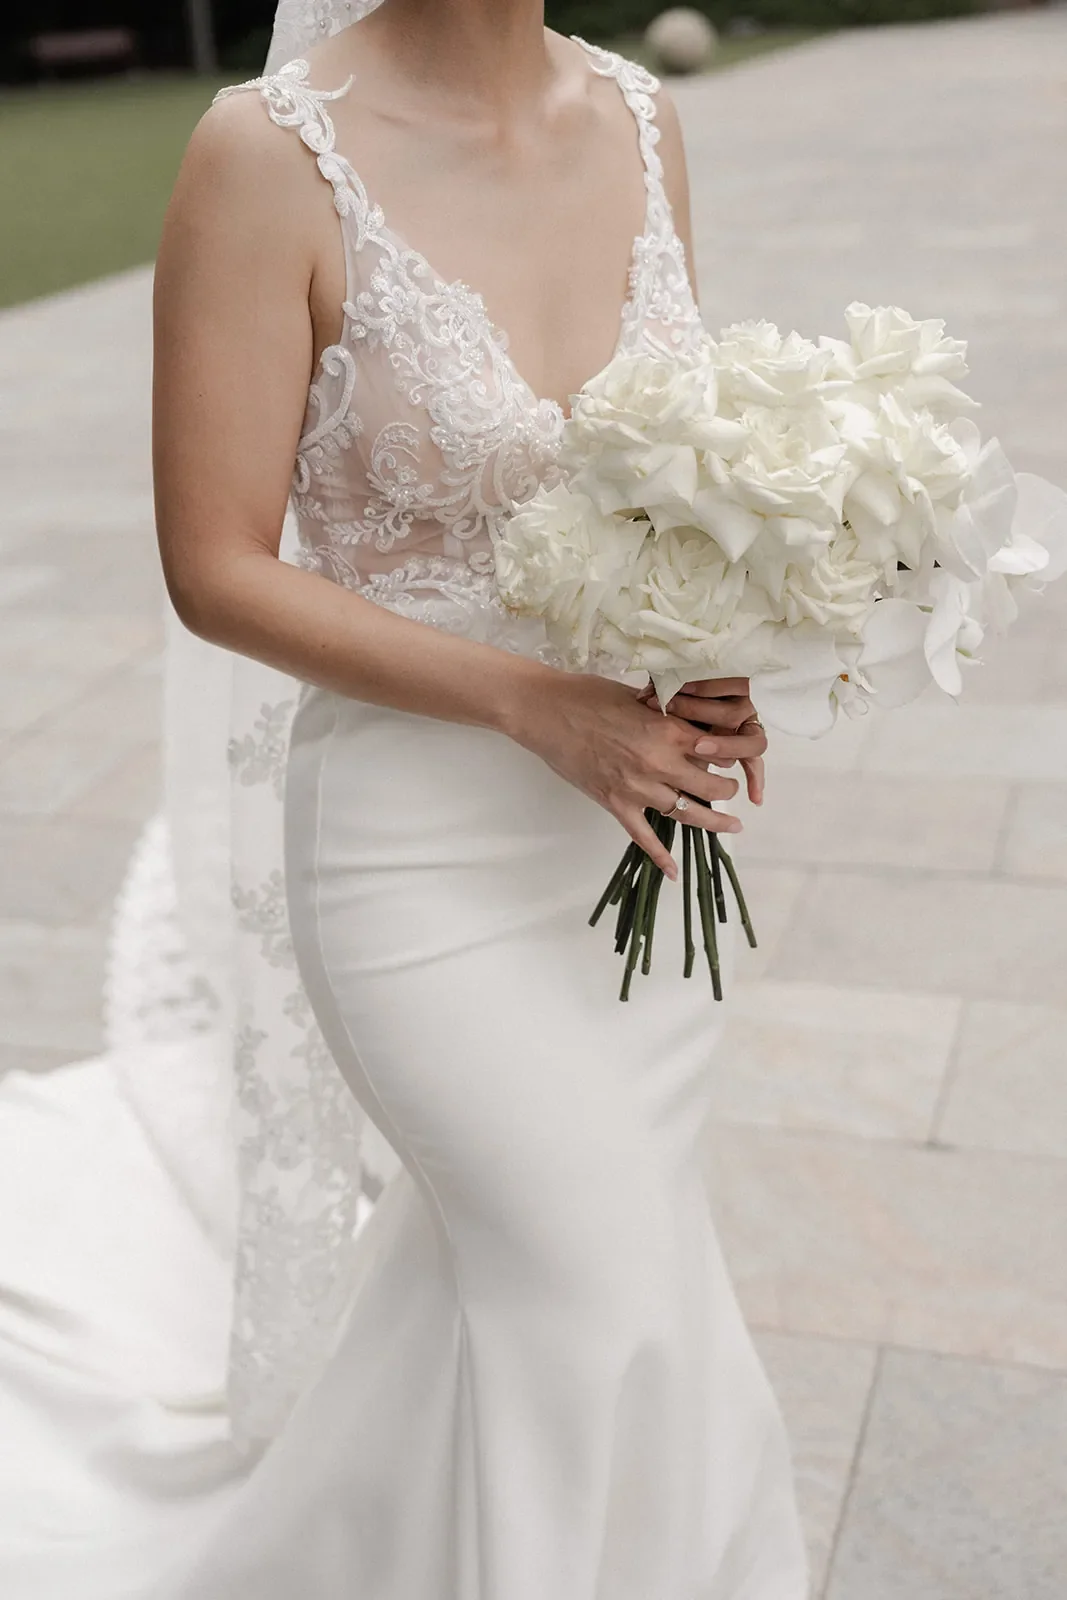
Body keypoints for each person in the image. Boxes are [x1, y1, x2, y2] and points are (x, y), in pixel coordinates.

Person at [18, 2, 810, 1595]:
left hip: (627, 839)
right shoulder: (267, 155)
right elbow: (216, 567)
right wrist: (531, 703)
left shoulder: (647, 118)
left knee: (596, 1265)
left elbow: (683, 482)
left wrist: (714, 658)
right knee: (588, 1281)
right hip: (415, 858)